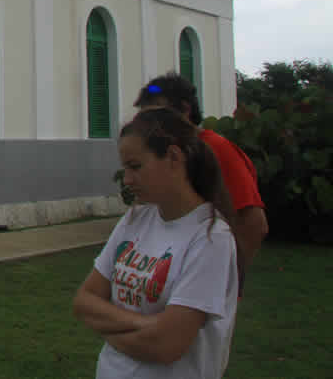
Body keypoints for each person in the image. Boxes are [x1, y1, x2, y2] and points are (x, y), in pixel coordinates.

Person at [73, 107, 239, 378]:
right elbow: (84, 301)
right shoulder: (136, 219)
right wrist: (147, 324)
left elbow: (166, 346)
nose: (127, 179)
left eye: (135, 166)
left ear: (173, 157)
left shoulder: (210, 238)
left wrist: (106, 326)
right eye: (125, 168)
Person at [134, 72, 268, 292]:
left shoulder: (217, 150)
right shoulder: (170, 154)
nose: (151, 125)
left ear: (185, 110)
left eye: (158, 114)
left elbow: (254, 224)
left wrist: (227, 283)